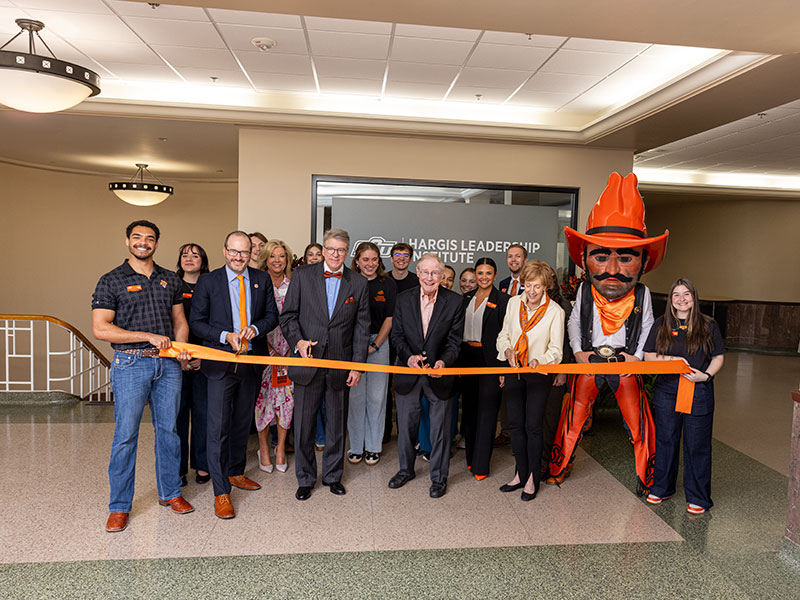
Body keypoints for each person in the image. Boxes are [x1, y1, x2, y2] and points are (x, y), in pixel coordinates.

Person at [547, 172, 668, 494]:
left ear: (642, 261)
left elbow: (647, 328)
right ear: (586, 258)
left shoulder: (642, 294)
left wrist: (636, 357)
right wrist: (578, 352)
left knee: (639, 425)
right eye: (602, 255)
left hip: (625, 365)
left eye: (625, 257)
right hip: (589, 362)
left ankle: (649, 477)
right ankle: (559, 467)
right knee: (572, 421)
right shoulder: (584, 291)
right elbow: (573, 322)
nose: (613, 267)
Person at [92, 220, 193, 533]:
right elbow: (101, 328)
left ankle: (170, 493)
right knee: (125, 435)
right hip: (130, 363)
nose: (143, 243)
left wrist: (181, 348)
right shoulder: (111, 280)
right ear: (127, 241)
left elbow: (179, 321)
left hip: (168, 366)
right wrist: (147, 336)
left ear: (156, 244)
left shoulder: (169, 279)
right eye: (137, 237)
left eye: (149, 239)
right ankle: (119, 506)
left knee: (170, 431)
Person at [190, 231, 279, 519]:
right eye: (234, 252)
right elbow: (197, 323)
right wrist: (224, 335)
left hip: (251, 363)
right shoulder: (208, 281)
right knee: (218, 429)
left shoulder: (261, 279)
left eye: (244, 252)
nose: (239, 257)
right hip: (219, 365)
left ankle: (235, 472)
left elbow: (271, 316)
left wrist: (255, 329)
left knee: (242, 424)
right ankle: (221, 492)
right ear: (225, 251)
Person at [280, 228, 370, 501]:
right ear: (323, 249)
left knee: (335, 425)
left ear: (347, 253)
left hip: (341, 364)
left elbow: (361, 329)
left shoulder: (358, 283)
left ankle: (332, 476)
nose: (334, 254)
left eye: (340, 250)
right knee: (304, 425)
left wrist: (357, 366)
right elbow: (288, 317)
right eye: (330, 249)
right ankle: (305, 479)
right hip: (307, 362)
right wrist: (298, 343)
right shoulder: (303, 275)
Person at [644, 278, 725, 515]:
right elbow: (648, 356)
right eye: (676, 295)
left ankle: (698, 496)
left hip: (698, 391)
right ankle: (662, 487)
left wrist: (706, 376)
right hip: (667, 392)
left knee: (697, 445)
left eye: (686, 294)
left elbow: (718, 357)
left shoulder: (708, 325)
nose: (681, 299)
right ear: (670, 300)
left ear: (694, 297)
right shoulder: (661, 324)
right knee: (666, 440)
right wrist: (670, 360)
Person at [388, 253, 464, 499]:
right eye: (425, 272)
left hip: (439, 376)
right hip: (409, 374)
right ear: (417, 273)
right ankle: (405, 470)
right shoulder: (403, 299)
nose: (430, 277)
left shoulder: (454, 302)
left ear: (442, 276)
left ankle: (439, 478)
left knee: (440, 432)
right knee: (407, 429)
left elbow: (454, 341)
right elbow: (396, 335)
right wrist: (408, 357)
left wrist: (444, 361)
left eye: (435, 273)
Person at [496, 260, 564, 501]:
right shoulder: (514, 303)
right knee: (515, 425)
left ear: (545, 286)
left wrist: (540, 361)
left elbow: (556, 349)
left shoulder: (555, 311)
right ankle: (519, 473)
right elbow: (504, 334)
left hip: (538, 374)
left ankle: (532, 477)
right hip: (515, 369)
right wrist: (506, 351)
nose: (532, 292)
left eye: (537, 286)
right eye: (527, 286)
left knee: (533, 427)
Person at [458, 258, 510, 480]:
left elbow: (507, 336)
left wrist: (503, 369)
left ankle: (481, 466)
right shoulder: (466, 298)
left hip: (491, 360)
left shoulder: (503, 300)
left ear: (495, 275)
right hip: (467, 358)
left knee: (487, 412)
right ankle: (470, 459)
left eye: (488, 273)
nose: (484, 277)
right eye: (480, 273)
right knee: (469, 411)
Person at [347, 241, 396, 465]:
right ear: (356, 261)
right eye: (365, 259)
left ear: (379, 261)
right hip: (352, 346)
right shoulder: (348, 282)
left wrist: (375, 344)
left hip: (379, 344)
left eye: (374, 259)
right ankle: (356, 447)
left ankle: (373, 447)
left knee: (377, 398)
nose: (370, 264)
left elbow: (389, 319)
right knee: (356, 398)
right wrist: (358, 345)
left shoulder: (387, 284)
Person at [254, 240, 295, 474]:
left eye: (281, 256)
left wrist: (289, 350)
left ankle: (280, 448)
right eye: (273, 256)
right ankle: (264, 449)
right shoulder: (258, 284)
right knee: (263, 401)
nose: (277, 260)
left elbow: (300, 317)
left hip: (288, 352)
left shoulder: (294, 285)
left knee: (286, 401)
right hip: (264, 350)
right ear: (265, 259)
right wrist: (268, 349)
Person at [175, 243, 211, 486]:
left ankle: (202, 465)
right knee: (176, 417)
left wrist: (204, 357)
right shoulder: (169, 284)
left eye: (195, 255)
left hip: (204, 361)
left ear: (203, 260)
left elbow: (217, 323)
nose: (189, 258)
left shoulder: (212, 285)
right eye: (185, 255)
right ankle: (177, 468)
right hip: (175, 361)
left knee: (203, 415)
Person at [540, 264, 574, 475]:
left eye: (547, 279)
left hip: (555, 371)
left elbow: (568, 343)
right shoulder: (528, 303)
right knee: (534, 420)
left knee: (550, 420)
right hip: (533, 370)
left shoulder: (562, 306)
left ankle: (547, 462)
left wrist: (563, 371)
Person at [385, 243, 420, 443]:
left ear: (410, 259)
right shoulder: (384, 279)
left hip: (409, 343)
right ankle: (385, 431)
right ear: (391, 258)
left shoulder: (417, 281)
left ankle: (407, 434)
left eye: (405, 255)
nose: (401, 258)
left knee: (407, 389)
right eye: (397, 255)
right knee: (383, 388)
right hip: (384, 341)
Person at [301, 242, 325, 449]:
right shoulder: (300, 278)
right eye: (311, 254)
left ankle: (323, 437)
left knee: (326, 402)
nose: (315, 257)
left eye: (319, 254)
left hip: (332, 354)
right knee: (307, 403)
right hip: (304, 351)